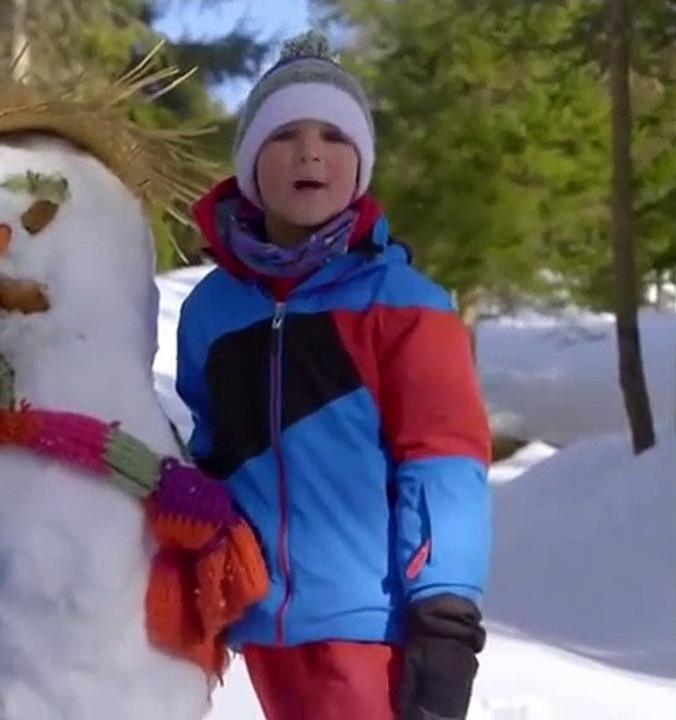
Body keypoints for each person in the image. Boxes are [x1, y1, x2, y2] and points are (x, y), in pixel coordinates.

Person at [175, 30, 492, 720]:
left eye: (333, 135)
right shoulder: (211, 311)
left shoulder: (404, 304)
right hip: (263, 623)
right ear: (253, 163)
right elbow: (213, 450)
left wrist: (445, 613)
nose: (310, 151)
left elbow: (444, 462)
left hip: (376, 624)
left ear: (362, 165)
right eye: (285, 133)